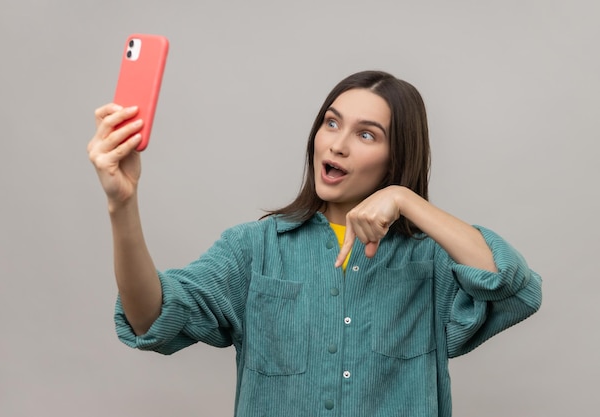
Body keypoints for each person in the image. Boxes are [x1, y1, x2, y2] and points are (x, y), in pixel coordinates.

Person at [88, 70, 542, 416]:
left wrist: (405, 200)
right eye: (331, 123)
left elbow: (517, 289)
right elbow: (150, 317)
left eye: (366, 134)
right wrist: (121, 205)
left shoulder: (432, 260)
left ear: (396, 156)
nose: (337, 145)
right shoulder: (255, 249)